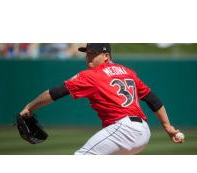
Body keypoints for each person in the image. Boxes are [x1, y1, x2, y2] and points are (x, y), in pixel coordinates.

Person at [20, 43, 184, 155]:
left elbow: (56, 92)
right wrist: (167, 127)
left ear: (106, 55)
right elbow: (153, 100)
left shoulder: (92, 75)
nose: (88, 57)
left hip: (125, 129)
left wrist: (29, 107)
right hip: (143, 132)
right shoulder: (127, 72)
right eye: (87, 53)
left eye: (93, 53)